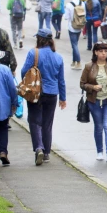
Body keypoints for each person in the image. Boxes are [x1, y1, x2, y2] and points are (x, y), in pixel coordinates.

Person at [21, 28, 66, 166]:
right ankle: (46, 153)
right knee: (47, 123)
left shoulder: (33, 53)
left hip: (36, 92)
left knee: (34, 121)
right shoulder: (58, 57)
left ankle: (39, 148)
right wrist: (63, 98)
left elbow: (24, 71)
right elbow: (61, 80)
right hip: (52, 94)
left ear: (39, 39)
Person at [80, 41, 107, 162]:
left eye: (105, 51)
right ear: (95, 52)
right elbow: (82, 84)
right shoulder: (89, 66)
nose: (103, 54)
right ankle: (99, 151)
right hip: (94, 101)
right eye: (101, 51)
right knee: (99, 127)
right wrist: (93, 87)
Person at [64, 0, 85, 69]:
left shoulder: (69, 4)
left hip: (72, 26)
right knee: (75, 44)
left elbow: (66, 17)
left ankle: (79, 61)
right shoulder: (82, 3)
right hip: (79, 26)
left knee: (74, 44)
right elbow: (84, 14)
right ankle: (74, 61)